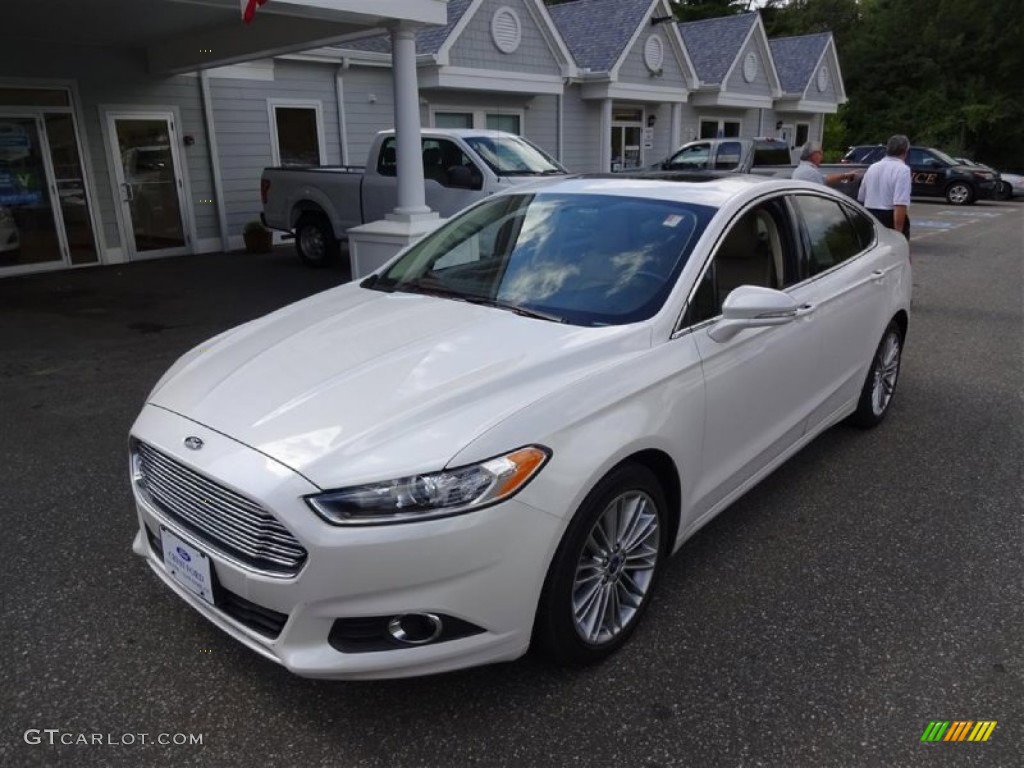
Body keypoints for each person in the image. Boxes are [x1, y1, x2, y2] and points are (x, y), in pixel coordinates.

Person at [857, 134, 912, 239]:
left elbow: (861, 196)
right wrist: (899, 235)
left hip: (870, 215)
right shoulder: (902, 169)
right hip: (889, 217)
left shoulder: (872, 167)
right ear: (905, 151)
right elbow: (900, 204)